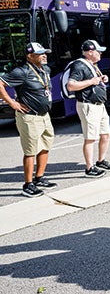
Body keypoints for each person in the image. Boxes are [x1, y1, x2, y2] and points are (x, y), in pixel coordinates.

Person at [0, 43, 57, 197]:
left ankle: (39, 178)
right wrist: (12, 102)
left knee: (45, 146)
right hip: (29, 117)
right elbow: (0, 84)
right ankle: (28, 184)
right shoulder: (21, 71)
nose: (44, 55)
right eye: (40, 53)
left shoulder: (45, 70)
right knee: (30, 151)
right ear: (30, 56)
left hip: (44, 115)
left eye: (44, 53)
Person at [67, 39, 110, 178]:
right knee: (90, 138)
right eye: (98, 51)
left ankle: (100, 161)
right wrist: (92, 82)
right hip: (88, 106)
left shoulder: (92, 65)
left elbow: (94, 81)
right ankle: (89, 168)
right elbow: (71, 85)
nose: (100, 54)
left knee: (106, 134)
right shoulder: (79, 65)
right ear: (90, 52)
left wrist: (101, 79)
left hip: (99, 105)